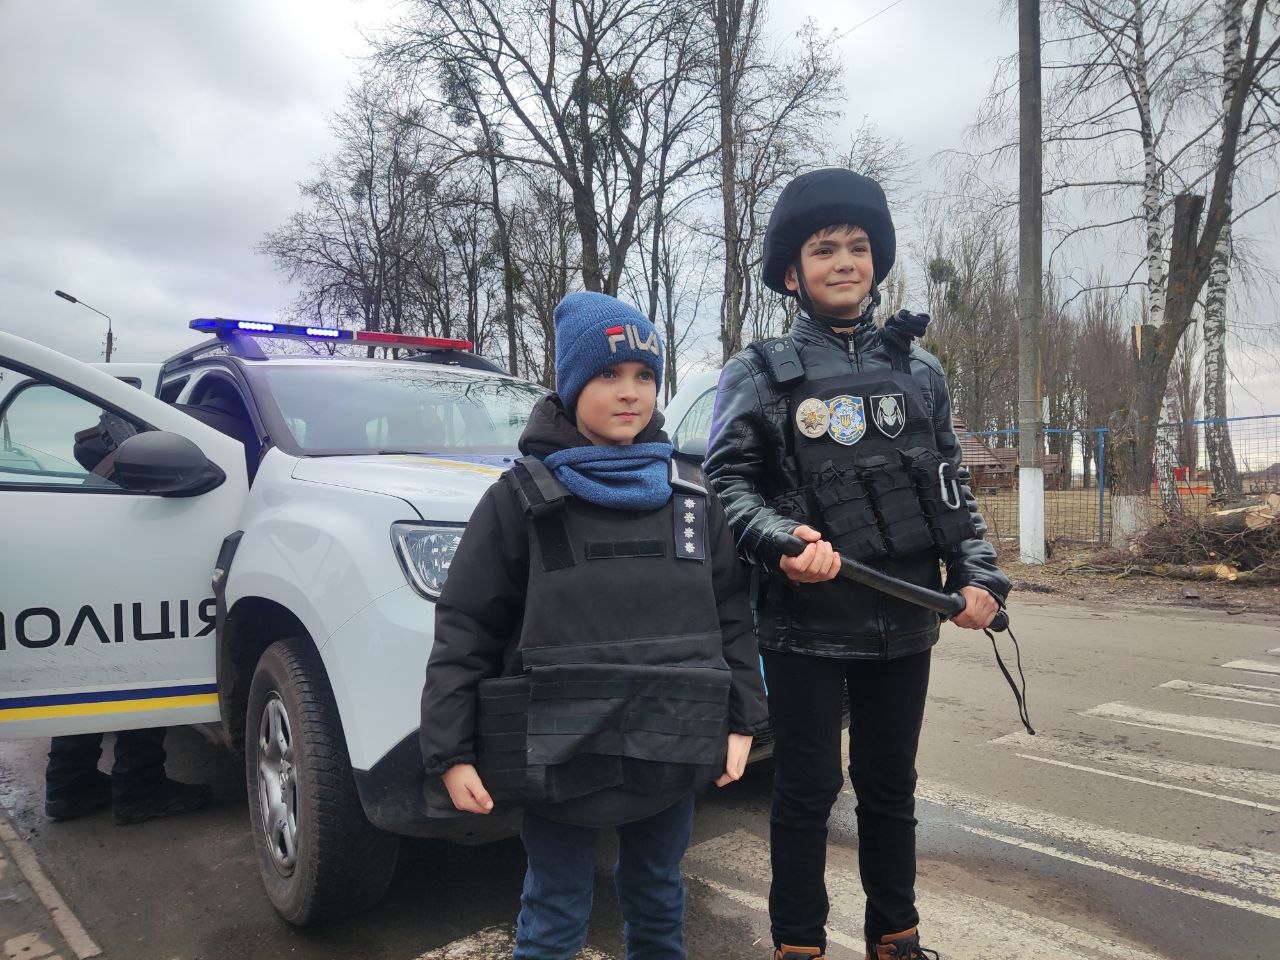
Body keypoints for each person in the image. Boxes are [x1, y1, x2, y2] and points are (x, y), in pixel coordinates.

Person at [703, 168, 1011, 960]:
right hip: (803, 626)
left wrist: (978, 577)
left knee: (890, 788)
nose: (844, 261)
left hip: (906, 619)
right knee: (806, 792)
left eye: (858, 247)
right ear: (791, 273)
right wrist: (782, 542)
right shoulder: (757, 373)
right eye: (824, 248)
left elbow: (951, 490)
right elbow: (727, 487)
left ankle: (895, 939)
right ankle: (797, 945)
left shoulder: (921, 372)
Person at [421, 291, 770, 960]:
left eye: (643, 375)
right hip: (558, 760)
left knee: (659, 902)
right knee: (553, 917)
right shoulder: (517, 501)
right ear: (571, 384)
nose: (629, 392)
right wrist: (452, 752)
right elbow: (466, 629)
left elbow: (731, 617)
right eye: (608, 374)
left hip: (669, 749)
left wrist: (742, 721)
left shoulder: (693, 498)